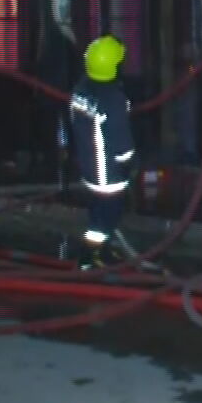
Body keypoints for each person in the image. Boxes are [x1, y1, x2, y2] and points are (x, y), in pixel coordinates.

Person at [68, 34, 134, 268]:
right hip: (109, 170)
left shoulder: (81, 89)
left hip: (89, 166)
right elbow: (121, 139)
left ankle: (102, 252)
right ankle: (88, 256)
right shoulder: (112, 98)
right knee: (107, 216)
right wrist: (128, 162)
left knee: (97, 209)